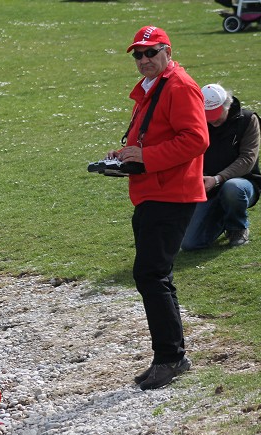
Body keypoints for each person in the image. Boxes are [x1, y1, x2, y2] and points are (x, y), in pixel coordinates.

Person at [106, 26, 209, 390]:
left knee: (151, 275)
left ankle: (171, 357)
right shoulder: (157, 86)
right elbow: (156, 136)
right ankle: (168, 355)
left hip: (171, 194)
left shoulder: (178, 85)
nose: (144, 59)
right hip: (155, 191)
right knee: (154, 274)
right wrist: (126, 156)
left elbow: (197, 139)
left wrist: (145, 157)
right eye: (138, 54)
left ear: (168, 51)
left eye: (151, 52)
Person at [180, 84, 261, 250]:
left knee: (233, 188)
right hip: (205, 186)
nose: (211, 120)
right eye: (207, 115)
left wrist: (218, 179)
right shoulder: (195, 122)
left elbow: (248, 159)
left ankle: (237, 227)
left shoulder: (248, 120)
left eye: (216, 114)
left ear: (228, 105)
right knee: (190, 244)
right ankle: (222, 217)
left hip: (242, 183)